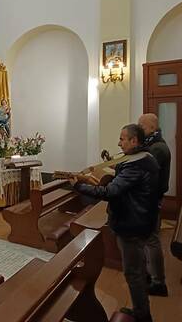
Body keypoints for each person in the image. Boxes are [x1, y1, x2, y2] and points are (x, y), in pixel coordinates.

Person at [71, 124, 160, 322]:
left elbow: (110, 192)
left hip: (131, 222)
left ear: (134, 141)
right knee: (137, 266)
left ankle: (142, 314)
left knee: (132, 272)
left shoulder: (136, 164)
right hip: (141, 218)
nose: (119, 143)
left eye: (122, 139)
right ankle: (142, 302)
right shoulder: (146, 157)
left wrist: (78, 185)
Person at [136, 113, 170, 296]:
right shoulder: (152, 145)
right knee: (147, 239)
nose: (139, 127)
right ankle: (150, 275)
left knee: (151, 239)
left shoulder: (157, 148)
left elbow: (143, 173)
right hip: (147, 198)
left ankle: (159, 282)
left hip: (149, 199)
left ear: (152, 128)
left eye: (141, 125)